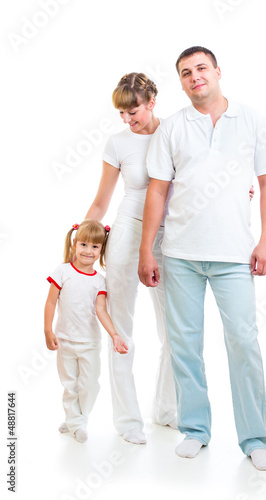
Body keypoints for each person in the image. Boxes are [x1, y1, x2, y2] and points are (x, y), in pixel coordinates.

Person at [138, 46, 266, 470]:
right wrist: (148, 249)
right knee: (185, 345)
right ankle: (194, 430)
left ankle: (256, 439)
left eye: (201, 68)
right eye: (185, 73)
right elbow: (157, 191)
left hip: (235, 255)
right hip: (180, 255)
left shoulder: (251, 120)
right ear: (181, 82)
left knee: (243, 342)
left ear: (218, 71)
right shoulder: (172, 128)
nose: (194, 77)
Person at [84, 73, 177, 445]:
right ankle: (127, 421)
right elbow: (102, 199)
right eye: (121, 112)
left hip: (171, 236)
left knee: (175, 329)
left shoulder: (176, 130)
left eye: (133, 110)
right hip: (127, 233)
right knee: (120, 328)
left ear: (152, 101)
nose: (127, 118)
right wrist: (84, 239)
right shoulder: (118, 142)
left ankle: (167, 409)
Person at [44, 220, 128, 443]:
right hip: (64, 340)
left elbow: (101, 311)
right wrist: (47, 330)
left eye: (95, 247)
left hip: (89, 343)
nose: (88, 251)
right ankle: (76, 422)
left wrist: (115, 335)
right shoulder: (62, 272)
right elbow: (51, 303)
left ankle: (76, 418)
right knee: (70, 384)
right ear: (74, 244)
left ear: (102, 250)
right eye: (83, 244)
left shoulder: (100, 281)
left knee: (89, 384)